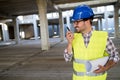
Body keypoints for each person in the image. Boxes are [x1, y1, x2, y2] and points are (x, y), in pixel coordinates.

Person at [64, 5, 119, 80]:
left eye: (77, 22)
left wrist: (106, 67)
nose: (74, 25)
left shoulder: (103, 37)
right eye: (74, 22)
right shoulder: (73, 38)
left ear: (87, 21)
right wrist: (69, 43)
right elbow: (67, 58)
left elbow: (115, 56)